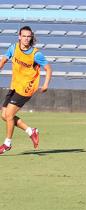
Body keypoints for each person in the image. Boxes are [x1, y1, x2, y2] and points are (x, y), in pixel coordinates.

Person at [0, 26, 52, 154]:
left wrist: (45, 84)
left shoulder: (36, 54)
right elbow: (4, 60)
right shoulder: (13, 48)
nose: (26, 39)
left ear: (31, 37)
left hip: (27, 88)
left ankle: (7, 143)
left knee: (9, 115)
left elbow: (48, 69)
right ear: (19, 36)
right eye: (24, 36)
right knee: (4, 116)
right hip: (15, 85)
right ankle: (31, 131)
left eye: (29, 36)